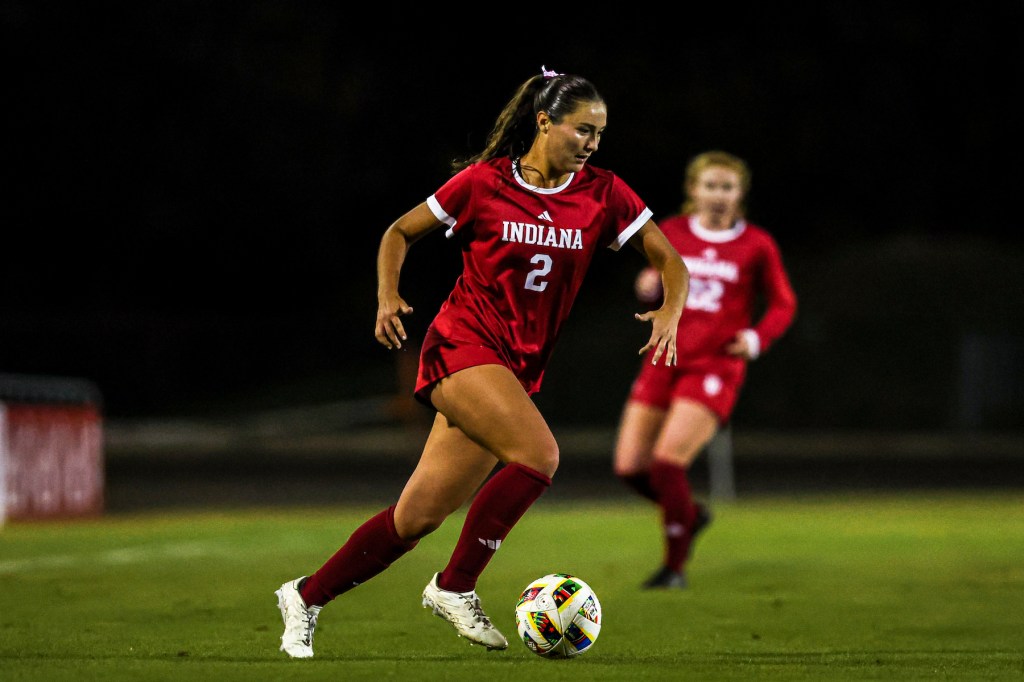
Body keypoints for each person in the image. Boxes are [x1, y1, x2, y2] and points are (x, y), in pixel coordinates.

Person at [275, 66, 690, 658]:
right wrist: (388, 295)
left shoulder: (603, 192)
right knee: (539, 455)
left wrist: (673, 311)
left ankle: (305, 597)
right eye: (582, 130)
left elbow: (671, 261)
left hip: (514, 366)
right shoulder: (483, 183)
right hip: (461, 345)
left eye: (599, 134)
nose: (593, 144)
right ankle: (455, 586)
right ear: (544, 123)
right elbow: (399, 232)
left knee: (414, 519)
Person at [612, 150, 797, 589]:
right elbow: (659, 290)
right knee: (629, 468)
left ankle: (674, 568)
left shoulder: (756, 244)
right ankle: (689, 515)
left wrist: (756, 338)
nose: (718, 195)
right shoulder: (672, 233)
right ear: (692, 190)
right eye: (710, 186)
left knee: (667, 464)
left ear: (740, 194)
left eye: (727, 187)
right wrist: (647, 289)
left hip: (714, 365)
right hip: (663, 356)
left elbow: (784, 302)